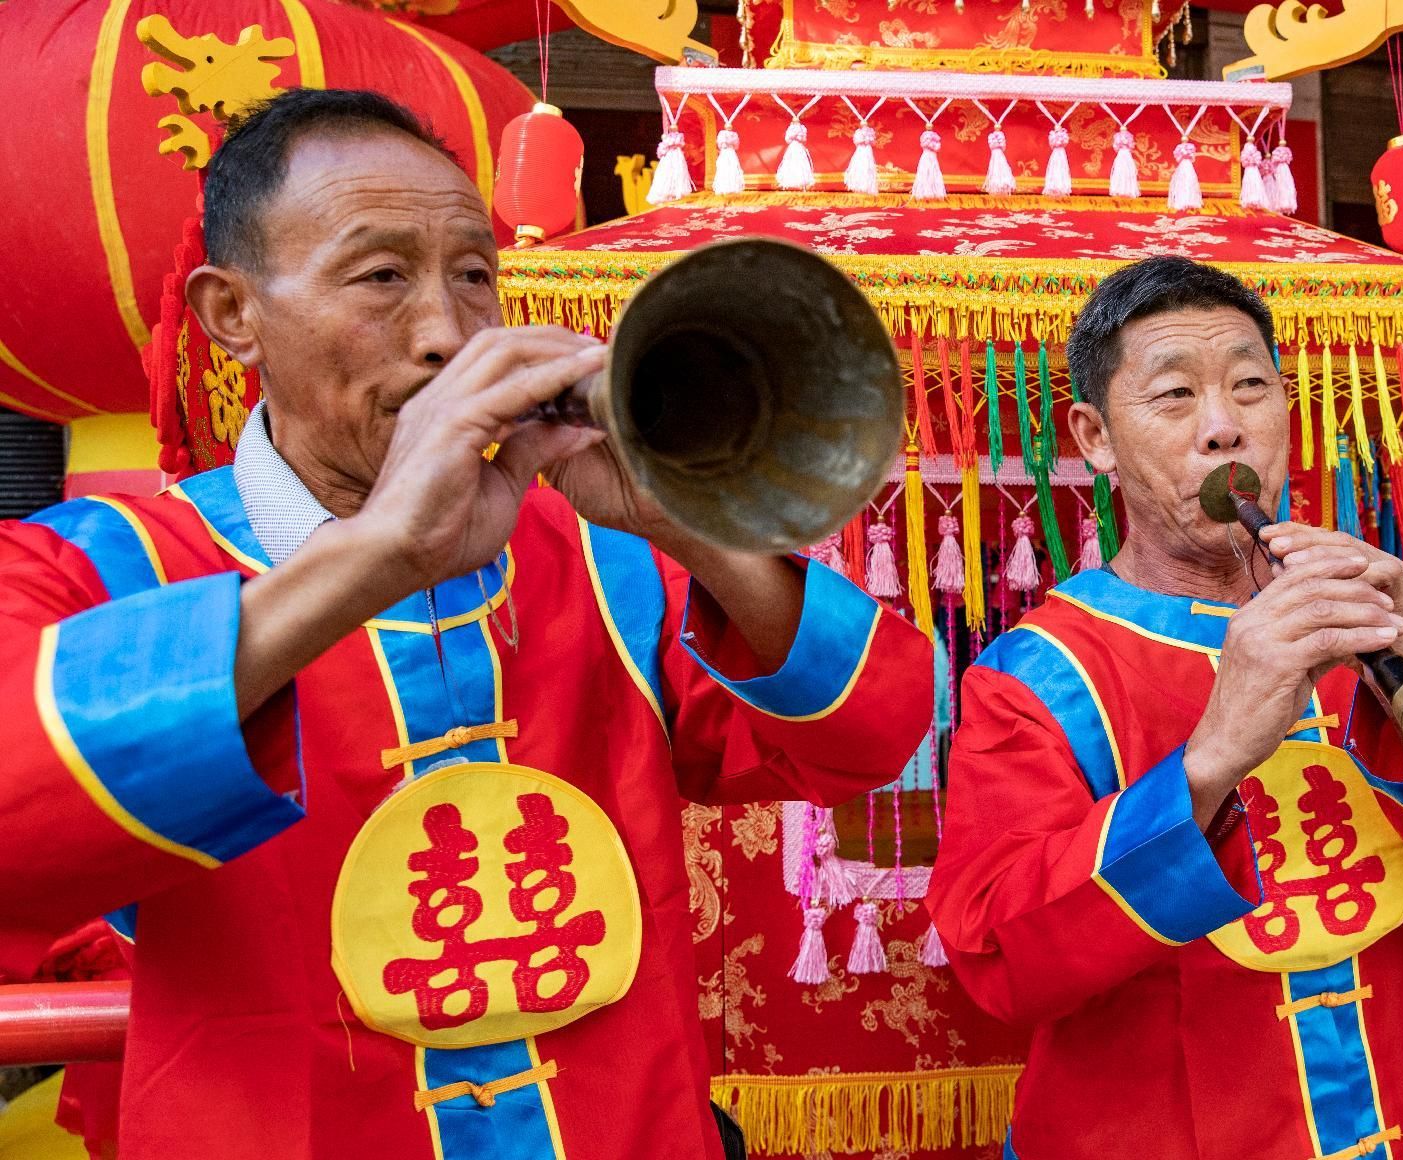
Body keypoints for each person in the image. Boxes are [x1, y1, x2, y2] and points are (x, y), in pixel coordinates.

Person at [0, 89, 931, 1159]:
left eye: (474, 274)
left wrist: (684, 521)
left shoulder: (598, 558)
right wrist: (377, 550)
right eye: (381, 276)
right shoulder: (99, 567)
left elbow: (879, 728)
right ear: (232, 314)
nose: (446, 332)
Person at [929, 257, 1403, 1160]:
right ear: (1093, 437)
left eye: (1251, 388)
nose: (1223, 429)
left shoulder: (1350, 615)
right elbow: (994, 959)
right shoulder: (1036, 677)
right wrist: (1206, 764)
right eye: (1174, 397)